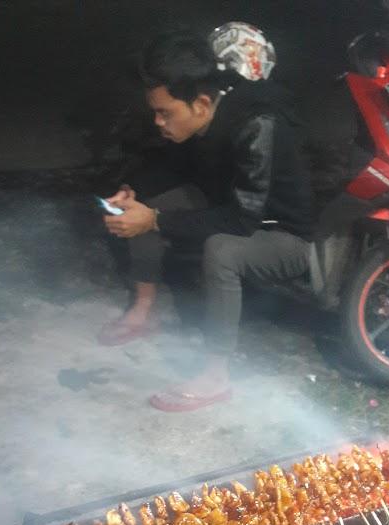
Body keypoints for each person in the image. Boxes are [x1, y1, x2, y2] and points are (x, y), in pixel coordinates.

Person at [100, 27, 315, 412]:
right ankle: (142, 311)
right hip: (231, 207)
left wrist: (155, 221)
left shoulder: (257, 126)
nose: (158, 122)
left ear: (200, 104)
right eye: (155, 112)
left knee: (222, 250)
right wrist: (133, 192)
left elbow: (242, 220)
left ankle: (216, 375)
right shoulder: (206, 112)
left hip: (283, 235)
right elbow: (172, 166)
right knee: (148, 204)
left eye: (165, 113)